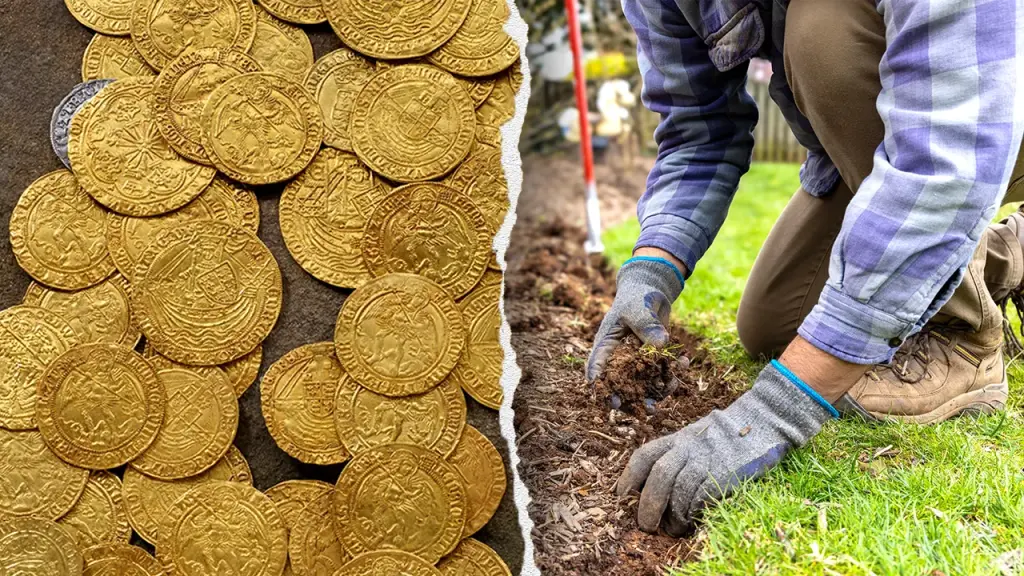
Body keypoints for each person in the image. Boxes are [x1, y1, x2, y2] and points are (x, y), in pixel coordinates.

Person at [587, 0, 1024, 536]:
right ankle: (1009, 254)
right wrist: (652, 268)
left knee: (822, 29)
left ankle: (962, 337)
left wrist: (778, 409)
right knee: (773, 327)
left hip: (983, 100)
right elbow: (697, 132)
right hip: (902, 129)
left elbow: (948, 159)